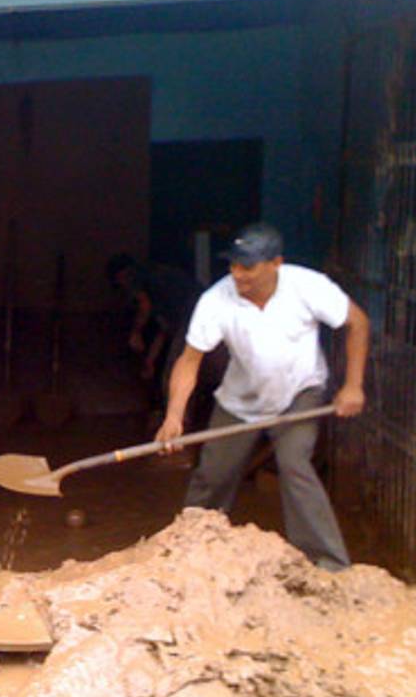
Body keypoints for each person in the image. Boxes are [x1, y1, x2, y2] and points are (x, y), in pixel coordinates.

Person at [155, 222, 370, 571]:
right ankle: (187, 559)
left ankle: (329, 565)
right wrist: (174, 415)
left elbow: (357, 322)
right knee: (212, 475)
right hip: (240, 400)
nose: (238, 275)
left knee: (294, 464)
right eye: (234, 265)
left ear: (276, 263)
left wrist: (353, 385)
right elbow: (189, 360)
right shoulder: (216, 300)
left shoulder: (308, 286)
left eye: (248, 266)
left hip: (299, 393)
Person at [105, 253, 203, 387]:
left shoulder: (138, 277)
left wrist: (136, 332)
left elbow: (145, 306)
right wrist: (150, 361)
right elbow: (163, 331)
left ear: (121, 276)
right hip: (199, 313)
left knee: (175, 376)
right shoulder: (159, 285)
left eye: (119, 282)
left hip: (193, 315)